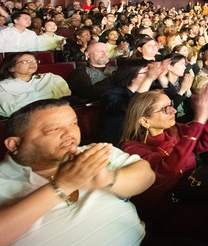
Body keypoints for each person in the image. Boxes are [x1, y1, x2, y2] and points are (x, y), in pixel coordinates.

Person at [0, 99, 156, 246]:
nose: (70, 133)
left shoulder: (93, 151)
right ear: (14, 144)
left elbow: (146, 175)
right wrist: (62, 186)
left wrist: (107, 178)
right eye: (53, 129)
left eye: (74, 123)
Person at [119, 81, 208, 242]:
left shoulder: (173, 130)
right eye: (165, 109)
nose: (174, 110)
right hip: (170, 209)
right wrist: (198, 121)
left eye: (171, 105)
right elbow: (168, 170)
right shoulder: (131, 148)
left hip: (194, 191)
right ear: (144, 121)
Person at [0, 53, 71, 117]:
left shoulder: (51, 78)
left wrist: (22, 99)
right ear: (11, 68)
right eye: (26, 61)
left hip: (56, 115)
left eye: (34, 61)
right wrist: (48, 95)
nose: (32, 64)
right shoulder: (2, 86)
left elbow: (64, 100)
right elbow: (11, 110)